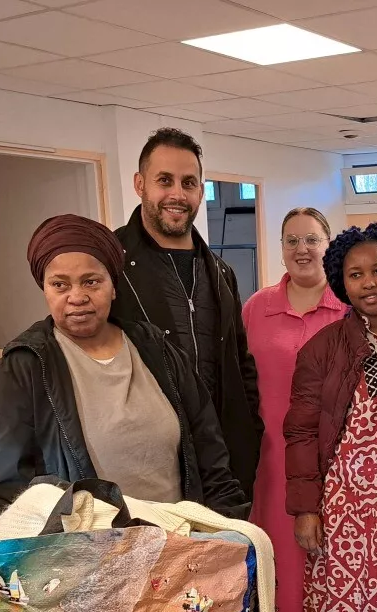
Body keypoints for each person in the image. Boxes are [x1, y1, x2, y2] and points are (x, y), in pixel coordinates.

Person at [0, 214, 246, 521]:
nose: (77, 297)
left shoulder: (159, 352)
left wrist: (230, 531)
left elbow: (211, 459)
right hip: (84, 561)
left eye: (91, 281)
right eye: (60, 284)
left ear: (114, 287)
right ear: (45, 289)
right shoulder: (18, 373)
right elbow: (2, 501)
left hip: (180, 550)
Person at [284, 224, 377, 612]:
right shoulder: (322, 348)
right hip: (349, 511)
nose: (368, 283)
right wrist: (306, 509)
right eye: (355, 274)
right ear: (342, 284)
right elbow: (301, 432)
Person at [113, 127, 262, 501]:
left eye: (189, 182)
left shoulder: (220, 271)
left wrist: (250, 431)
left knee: (223, 559)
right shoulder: (109, 265)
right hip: (148, 463)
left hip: (221, 466)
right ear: (140, 184)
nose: (177, 194)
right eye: (165, 180)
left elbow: (240, 361)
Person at [242, 208, 347, 612]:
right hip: (269, 459)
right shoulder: (256, 307)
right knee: (274, 557)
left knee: (326, 553)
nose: (301, 249)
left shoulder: (347, 307)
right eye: (291, 241)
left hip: (333, 457)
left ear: (328, 244)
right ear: (282, 249)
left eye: (311, 239)